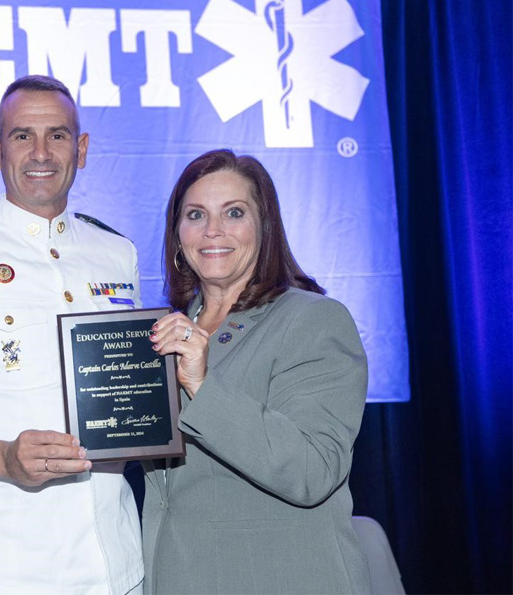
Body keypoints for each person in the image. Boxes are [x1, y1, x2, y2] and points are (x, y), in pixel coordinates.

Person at [0, 75, 145, 595]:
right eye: (21, 136)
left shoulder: (117, 253)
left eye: (57, 135)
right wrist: (1, 458)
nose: (41, 152)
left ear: (81, 149)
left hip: (113, 566)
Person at [142, 149, 371, 594]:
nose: (213, 231)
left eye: (234, 212)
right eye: (195, 214)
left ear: (264, 226)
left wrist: (202, 385)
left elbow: (313, 471)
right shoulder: (164, 332)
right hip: (179, 575)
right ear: (176, 234)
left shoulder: (313, 320)